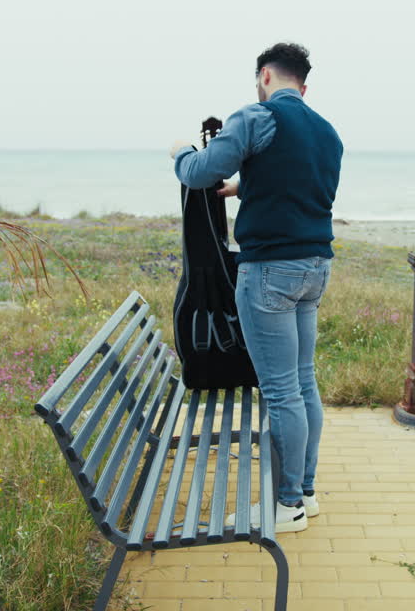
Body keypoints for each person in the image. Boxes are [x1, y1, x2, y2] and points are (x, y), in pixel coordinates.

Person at [168, 42, 343, 533]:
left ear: (265, 75)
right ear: (302, 86)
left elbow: (201, 170)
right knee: (303, 382)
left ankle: (285, 506)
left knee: (280, 390)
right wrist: (243, 188)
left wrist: (181, 152)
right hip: (315, 268)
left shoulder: (255, 116)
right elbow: (300, 184)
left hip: (269, 272)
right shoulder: (327, 133)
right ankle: (305, 491)